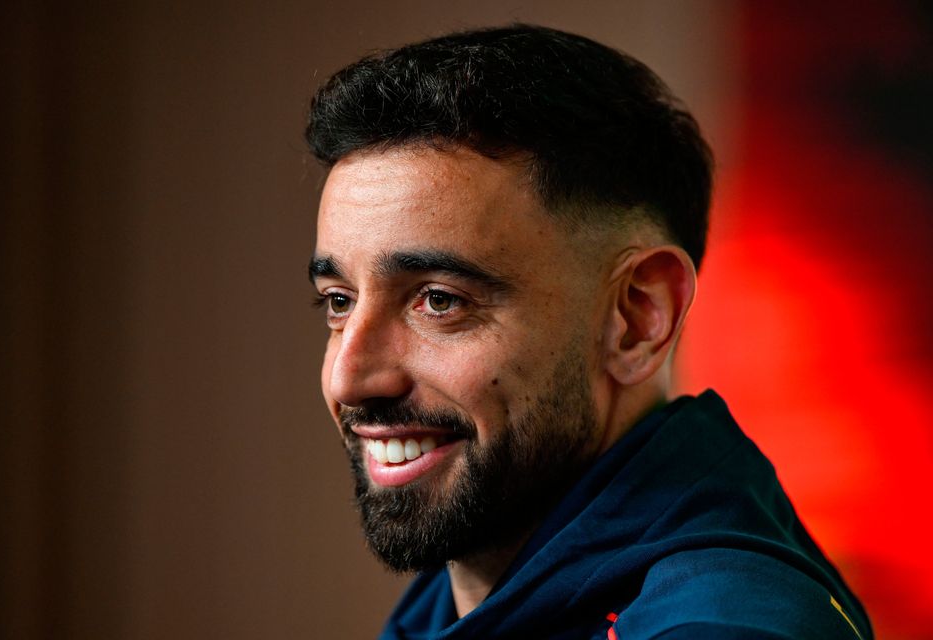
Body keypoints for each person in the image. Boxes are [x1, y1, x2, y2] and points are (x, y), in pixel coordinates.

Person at [305, 24, 872, 639]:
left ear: (636, 317)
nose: (349, 377)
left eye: (439, 301)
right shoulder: (459, 603)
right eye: (339, 301)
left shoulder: (721, 625)